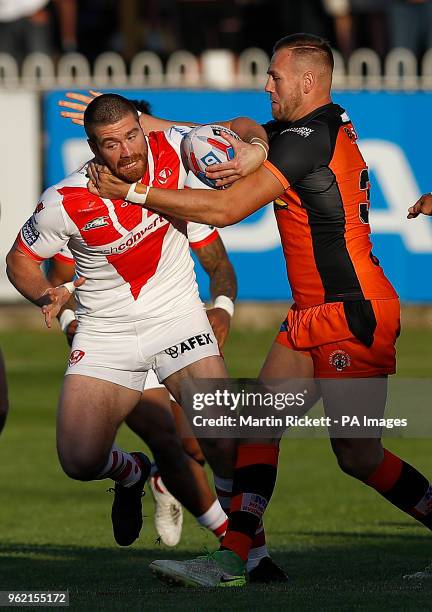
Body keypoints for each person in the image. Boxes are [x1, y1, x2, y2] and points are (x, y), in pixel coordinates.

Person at [86, 33, 432, 588]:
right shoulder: (303, 130)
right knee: (258, 430)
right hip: (309, 316)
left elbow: (224, 209)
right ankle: (235, 560)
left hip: (352, 313)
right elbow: (225, 130)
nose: (266, 83)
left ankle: (236, 557)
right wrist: (134, 123)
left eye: (275, 76)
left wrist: (134, 195)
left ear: (307, 82)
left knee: (358, 454)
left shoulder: (307, 138)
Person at [7, 93, 285, 584]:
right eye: (112, 144)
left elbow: (242, 123)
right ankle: (132, 472)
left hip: (177, 316)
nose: (128, 151)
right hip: (105, 331)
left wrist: (256, 149)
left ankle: (251, 555)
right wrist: (47, 293)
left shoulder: (176, 150)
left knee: (221, 440)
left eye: (133, 136)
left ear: (143, 129)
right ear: (93, 148)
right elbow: (19, 261)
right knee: (79, 459)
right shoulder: (64, 199)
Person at [47, 221, 237, 549]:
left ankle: (164, 482)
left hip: (175, 327)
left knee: (196, 445)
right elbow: (57, 277)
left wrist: (222, 308)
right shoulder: (82, 207)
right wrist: (70, 321)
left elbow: (218, 262)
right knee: (164, 437)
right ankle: (231, 540)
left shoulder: (174, 195)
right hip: (117, 338)